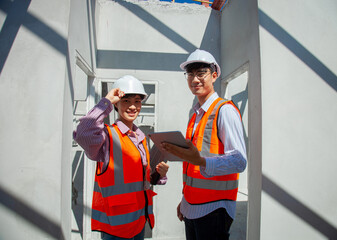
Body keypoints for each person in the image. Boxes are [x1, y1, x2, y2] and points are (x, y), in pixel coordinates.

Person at [161, 49, 247, 240]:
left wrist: (202, 161)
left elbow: (239, 161)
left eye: (201, 73)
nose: (195, 79)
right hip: (192, 208)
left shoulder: (225, 111)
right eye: (190, 74)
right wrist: (186, 201)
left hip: (215, 209)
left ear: (214, 75)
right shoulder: (195, 114)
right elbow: (191, 164)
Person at [73, 75, 169, 240]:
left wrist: (158, 174)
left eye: (137, 101)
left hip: (139, 221)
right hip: (116, 228)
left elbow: (142, 179)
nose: (133, 106)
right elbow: (82, 133)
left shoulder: (141, 137)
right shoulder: (107, 136)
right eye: (126, 101)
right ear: (116, 104)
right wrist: (106, 101)